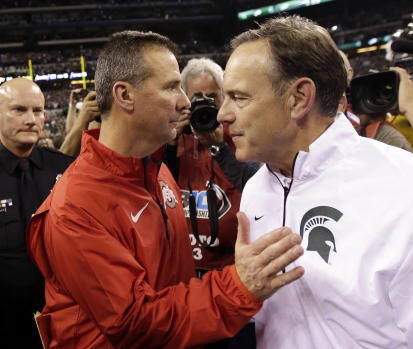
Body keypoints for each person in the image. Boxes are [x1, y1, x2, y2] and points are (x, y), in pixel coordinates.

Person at [27, 31, 304, 348]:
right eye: (172, 87)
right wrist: (239, 286)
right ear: (124, 95)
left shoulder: (157, 171)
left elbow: (173, 289)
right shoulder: (75, 206)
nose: (185, 102)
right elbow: (135, 322)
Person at [217, 15, 413, 348]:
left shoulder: (407, 191)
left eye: (239, 97)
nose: (223, 114)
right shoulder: (257, 188)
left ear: (298, 98)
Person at [164, 57, 259, 348]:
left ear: (224, 96)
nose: (205, 104)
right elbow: (153, 177)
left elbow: (255, 182)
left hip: (234, 274)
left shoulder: (242, 135)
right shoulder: (173, 140)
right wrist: (170, 136)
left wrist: (217, 146)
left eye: (212, 97)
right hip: (188, 277)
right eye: (196, 98)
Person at [0, 78, 74, 348]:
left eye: (37, 110)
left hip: (66, 321)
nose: (31, 119)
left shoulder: (66, 169)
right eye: (19, 110)